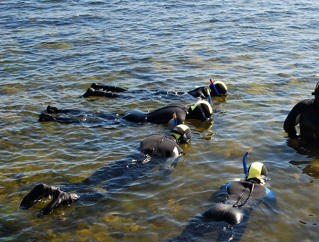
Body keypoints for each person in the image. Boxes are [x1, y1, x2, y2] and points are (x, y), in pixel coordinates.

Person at [126, 155, 277, 242]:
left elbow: (214, 197)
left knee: (181, 239)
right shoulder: (268, 192)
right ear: (263, 178)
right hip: (237, 216)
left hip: (217, 209)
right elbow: (274, 212)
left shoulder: (231, 183)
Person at [19, 124, 192, 216]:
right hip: (140, 168)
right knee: (108, 190)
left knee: (88, 182)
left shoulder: (152, 136)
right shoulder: (177, 150)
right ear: (184, 139)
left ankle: (51, 189)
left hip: (125, 160)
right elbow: (166, 171)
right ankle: (69, 197)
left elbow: (140, 147)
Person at [38, 99, 213, 126]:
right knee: (91, 122)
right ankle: (52, 119)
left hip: (136, 112)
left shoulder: (181, 107)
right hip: (137, 122)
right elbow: (173, 131)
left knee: (99, 115)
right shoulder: (181, 118)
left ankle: (59, 110)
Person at [82, 80, 228, 100]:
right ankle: (94, 93)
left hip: (165, 92)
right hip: (165, 97)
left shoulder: (203, 89)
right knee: (126, 97)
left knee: (128, 92)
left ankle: (98, 86)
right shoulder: (203, 95)